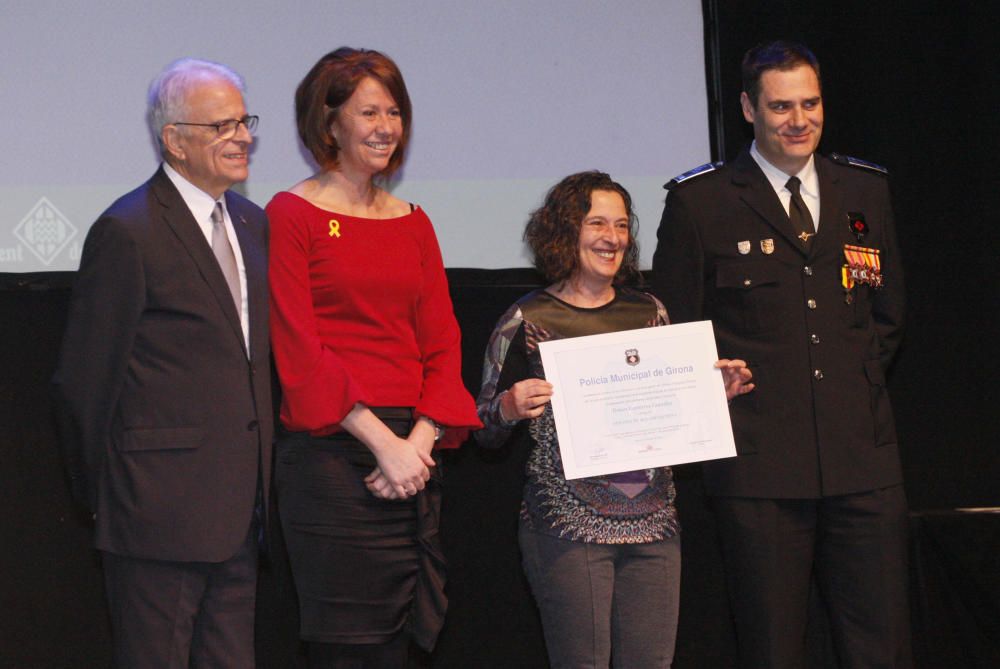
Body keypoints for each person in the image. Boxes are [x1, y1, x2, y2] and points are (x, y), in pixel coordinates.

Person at [651, 41, 911, 668]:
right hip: (758, 464)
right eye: (780, 106)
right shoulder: (701, 201)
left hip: (861, 460)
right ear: (748, 108)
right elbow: (672, 326)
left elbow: (887, 316)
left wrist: (849, 388)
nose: (799, 120)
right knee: (771, 647)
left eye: (811, 103)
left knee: (881, 644)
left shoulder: (864, 190)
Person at [476, 171, 754, 669]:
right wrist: (509, 407)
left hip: (655, 528)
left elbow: (674, 416)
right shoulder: (526, 319)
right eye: (597, 223)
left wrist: (716, 395)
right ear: (564, 232)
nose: (613, 238)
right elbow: (483, 429)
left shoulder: (650, 312)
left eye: (622, 225)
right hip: (565, 530)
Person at [51, 58, 272, 667]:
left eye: (244, 121)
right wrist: (109, 497)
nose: (243, 137)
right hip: (155, 515)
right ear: (174, 140)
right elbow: (83, 384)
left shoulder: (254, 225)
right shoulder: (128, 230)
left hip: (240, 511)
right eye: (222, 126)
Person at [267, 47, 481, 667]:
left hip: (414, 457)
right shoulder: (292, 213)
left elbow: (442, 342)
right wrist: (382, 443)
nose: (386, 126)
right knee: (348, 649)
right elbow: (298, 347)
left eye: (395, 111)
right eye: (368, 112)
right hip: (333, 459)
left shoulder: (414, 221)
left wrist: (419, 439)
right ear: (329, 123)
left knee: (400, 646)